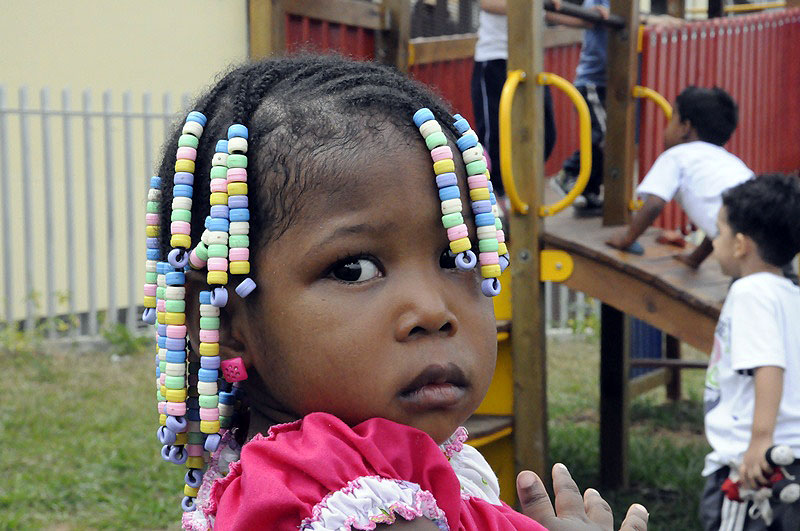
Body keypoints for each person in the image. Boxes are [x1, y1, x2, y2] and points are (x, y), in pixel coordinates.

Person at [143, 55, 650, 530]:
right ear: (224, 320)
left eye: (455, 257)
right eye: (354, 269)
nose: (432, 310)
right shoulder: (344, 497)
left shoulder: (346, 472)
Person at [699, 174, 800, 530]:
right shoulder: (790, 294)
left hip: (754, 468)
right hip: (789, 458)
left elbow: (768, 365)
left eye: (719, 232)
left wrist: (759, 441)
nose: (714, 241)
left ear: (740, 244)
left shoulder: (750, 292)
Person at [551, 1, 682, 216]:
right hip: (592, 83)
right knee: (605, 137)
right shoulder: (597, 2)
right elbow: (606, 17)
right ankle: (569, 172)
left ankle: (588, 191)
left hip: (613, 84)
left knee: (615, 139)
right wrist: (650, 19)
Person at [606, 86, 754, 266]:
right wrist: (694, 259)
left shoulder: (676, 156)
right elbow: (715, 222)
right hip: (767, 229)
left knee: (748, 277)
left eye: (672, 119)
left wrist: (627, 239)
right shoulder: (729, 162)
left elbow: (654, 204)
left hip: (745, 244)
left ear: (685, 128)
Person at [471, 0, 558, 200]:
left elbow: (550, 11)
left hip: (530, 63)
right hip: (494, 59)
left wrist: (591, 17)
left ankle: (514, 192)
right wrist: (537, 4)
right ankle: (493, 195)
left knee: (545, 133)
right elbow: (487, 3)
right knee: (494, 135)